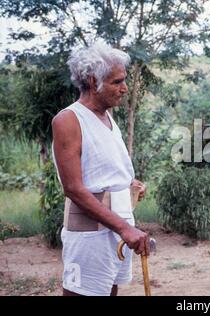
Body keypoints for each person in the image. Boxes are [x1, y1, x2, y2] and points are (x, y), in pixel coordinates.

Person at [52, 40, 149, 296]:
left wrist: (129, 188)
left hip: (117, 228)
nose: (125, 88)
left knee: (111, 292)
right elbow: (73, 188)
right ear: (94, 82)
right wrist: (125, 228)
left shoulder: (108, 119)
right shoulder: (69, 119)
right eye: (117, 82)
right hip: (90, 237)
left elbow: (102, 173)